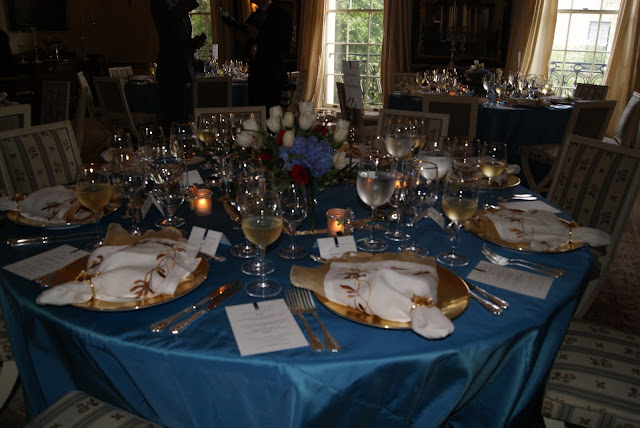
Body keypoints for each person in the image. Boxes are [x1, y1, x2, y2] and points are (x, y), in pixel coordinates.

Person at [150, 0, 206, 132]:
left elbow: (179, 41)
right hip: (171, 71)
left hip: (181, 71)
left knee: (181, 118)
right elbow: (168, 24)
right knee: (173, 120)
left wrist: (194, 43)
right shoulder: (161, 3)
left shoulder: (176, 5)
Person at [244, 0, 293, 115]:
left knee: (272, 115)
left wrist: (259, 35)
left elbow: (285, 43)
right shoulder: (254, 16)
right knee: (256, 113)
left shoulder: (281, 14)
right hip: (256, 76)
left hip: (272, 75)